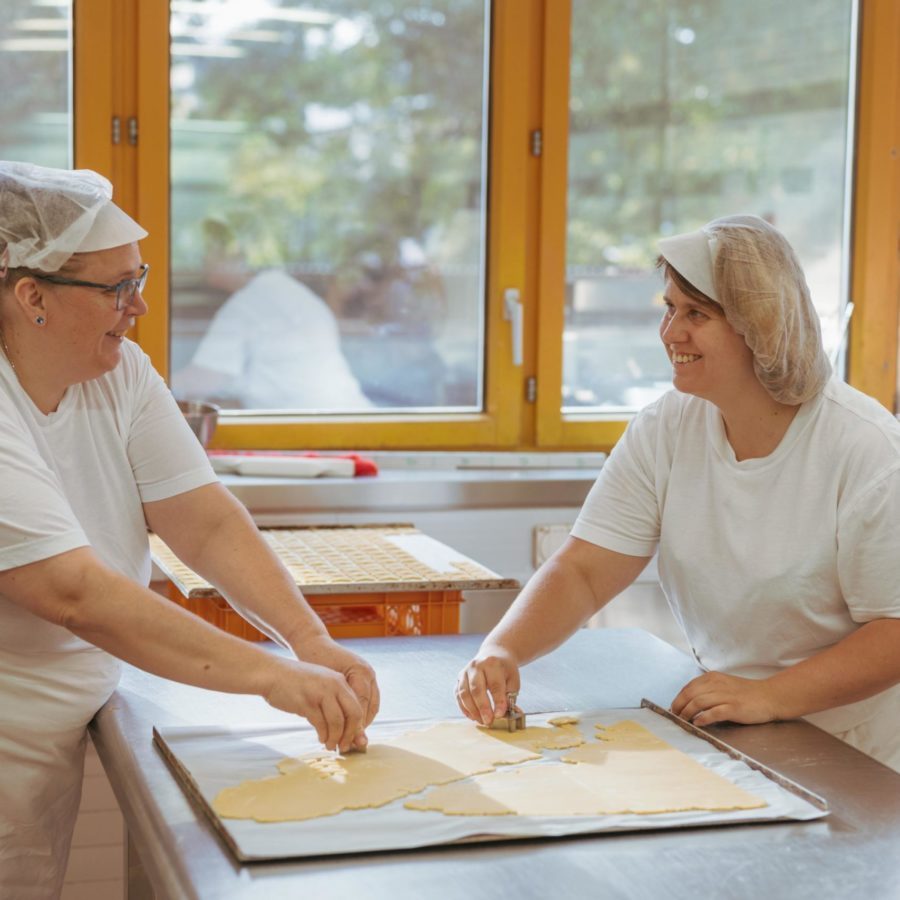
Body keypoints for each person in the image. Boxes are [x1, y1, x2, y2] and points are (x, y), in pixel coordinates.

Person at [0, 161, 380, 898]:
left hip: (51, 729)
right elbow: (74, 592)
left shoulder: (119, 372)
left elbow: (203, 522)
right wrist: (272, 676)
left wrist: (305, 639)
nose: (138, 306)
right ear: (31, 296)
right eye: (116, 289)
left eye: (138, 279)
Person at [456, 213, 900, 773]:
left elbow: (895, 629)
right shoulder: (667, 428)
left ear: (758, 326)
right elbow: (585, 569)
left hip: (857, 751)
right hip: (732, 723)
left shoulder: (866, 450)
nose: (670, 333)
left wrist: (769, 696)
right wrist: (503, 648)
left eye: (696, 314)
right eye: (669, 309)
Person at [174, 267, 372, 411]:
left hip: (310, 432)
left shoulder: (247, 303)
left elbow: (206, 379)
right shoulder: (292, 291)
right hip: (352, 417)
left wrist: (155, 387)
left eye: (209, 254)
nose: (203, 262)